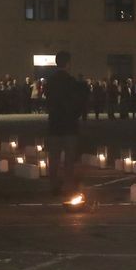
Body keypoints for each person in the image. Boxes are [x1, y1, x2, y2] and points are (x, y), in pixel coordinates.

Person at [45, 51, 84, 196]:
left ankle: (53, 184)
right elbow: (77, 103)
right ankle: (67, 184)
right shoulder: (71, 82)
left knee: (53, 157)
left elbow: (48, 101)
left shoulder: (50, 81)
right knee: (69, 158)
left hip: (54, 124)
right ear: (68, 64)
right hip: (69, 125)